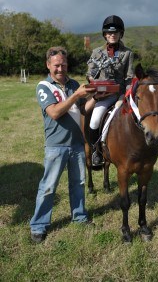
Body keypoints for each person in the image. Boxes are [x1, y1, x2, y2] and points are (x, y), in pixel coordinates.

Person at [30, 46, 96, 243]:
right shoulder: (43, 86)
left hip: (77, 144)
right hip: (56, 145)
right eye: (57, 65)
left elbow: (83, 109)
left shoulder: (73, 83)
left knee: (79, 184)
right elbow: (55, 112)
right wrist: (76, 95)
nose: (61, 68)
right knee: (48, 187)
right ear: (48, 65)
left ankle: (80, 217)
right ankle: (39, 226)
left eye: (64, 64)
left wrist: (95, 98)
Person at [86, 15, 134, 166]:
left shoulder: (128, 53)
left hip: (120, 94)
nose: (112, 35)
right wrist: (95, 84)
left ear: (121, 34)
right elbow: (89, 73)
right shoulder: (96, 52)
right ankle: (96, 152)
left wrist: (124, 97)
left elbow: (129, 78)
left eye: (116, 32)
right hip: (102, 95)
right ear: (105, 35)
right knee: (94, 120)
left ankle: (148, 145)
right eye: (109, 33)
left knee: (140, 115)